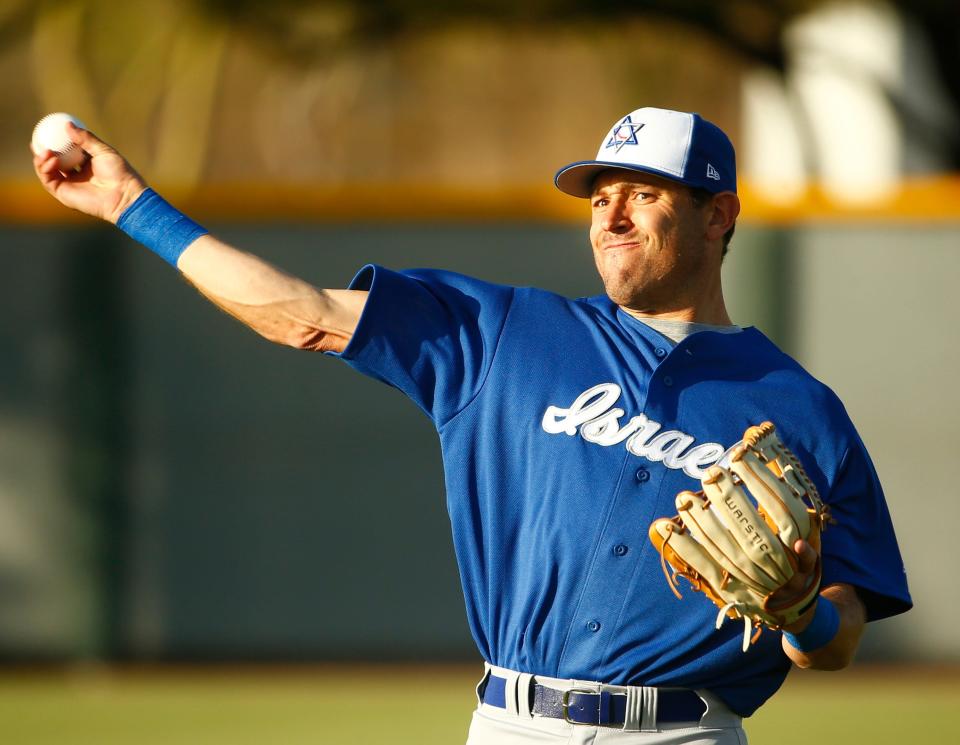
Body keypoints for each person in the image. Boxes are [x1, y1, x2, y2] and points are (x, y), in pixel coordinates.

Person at [33, 106, 911, 744]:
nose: (609, 215)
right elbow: (296, 313)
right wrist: (130, 206)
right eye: (599, 196)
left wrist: (801, 613)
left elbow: (836, 640)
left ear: (718, 215)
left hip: (683, 734)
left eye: (642, 194)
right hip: (510, 725)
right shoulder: (505, 333)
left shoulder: (800, 408)